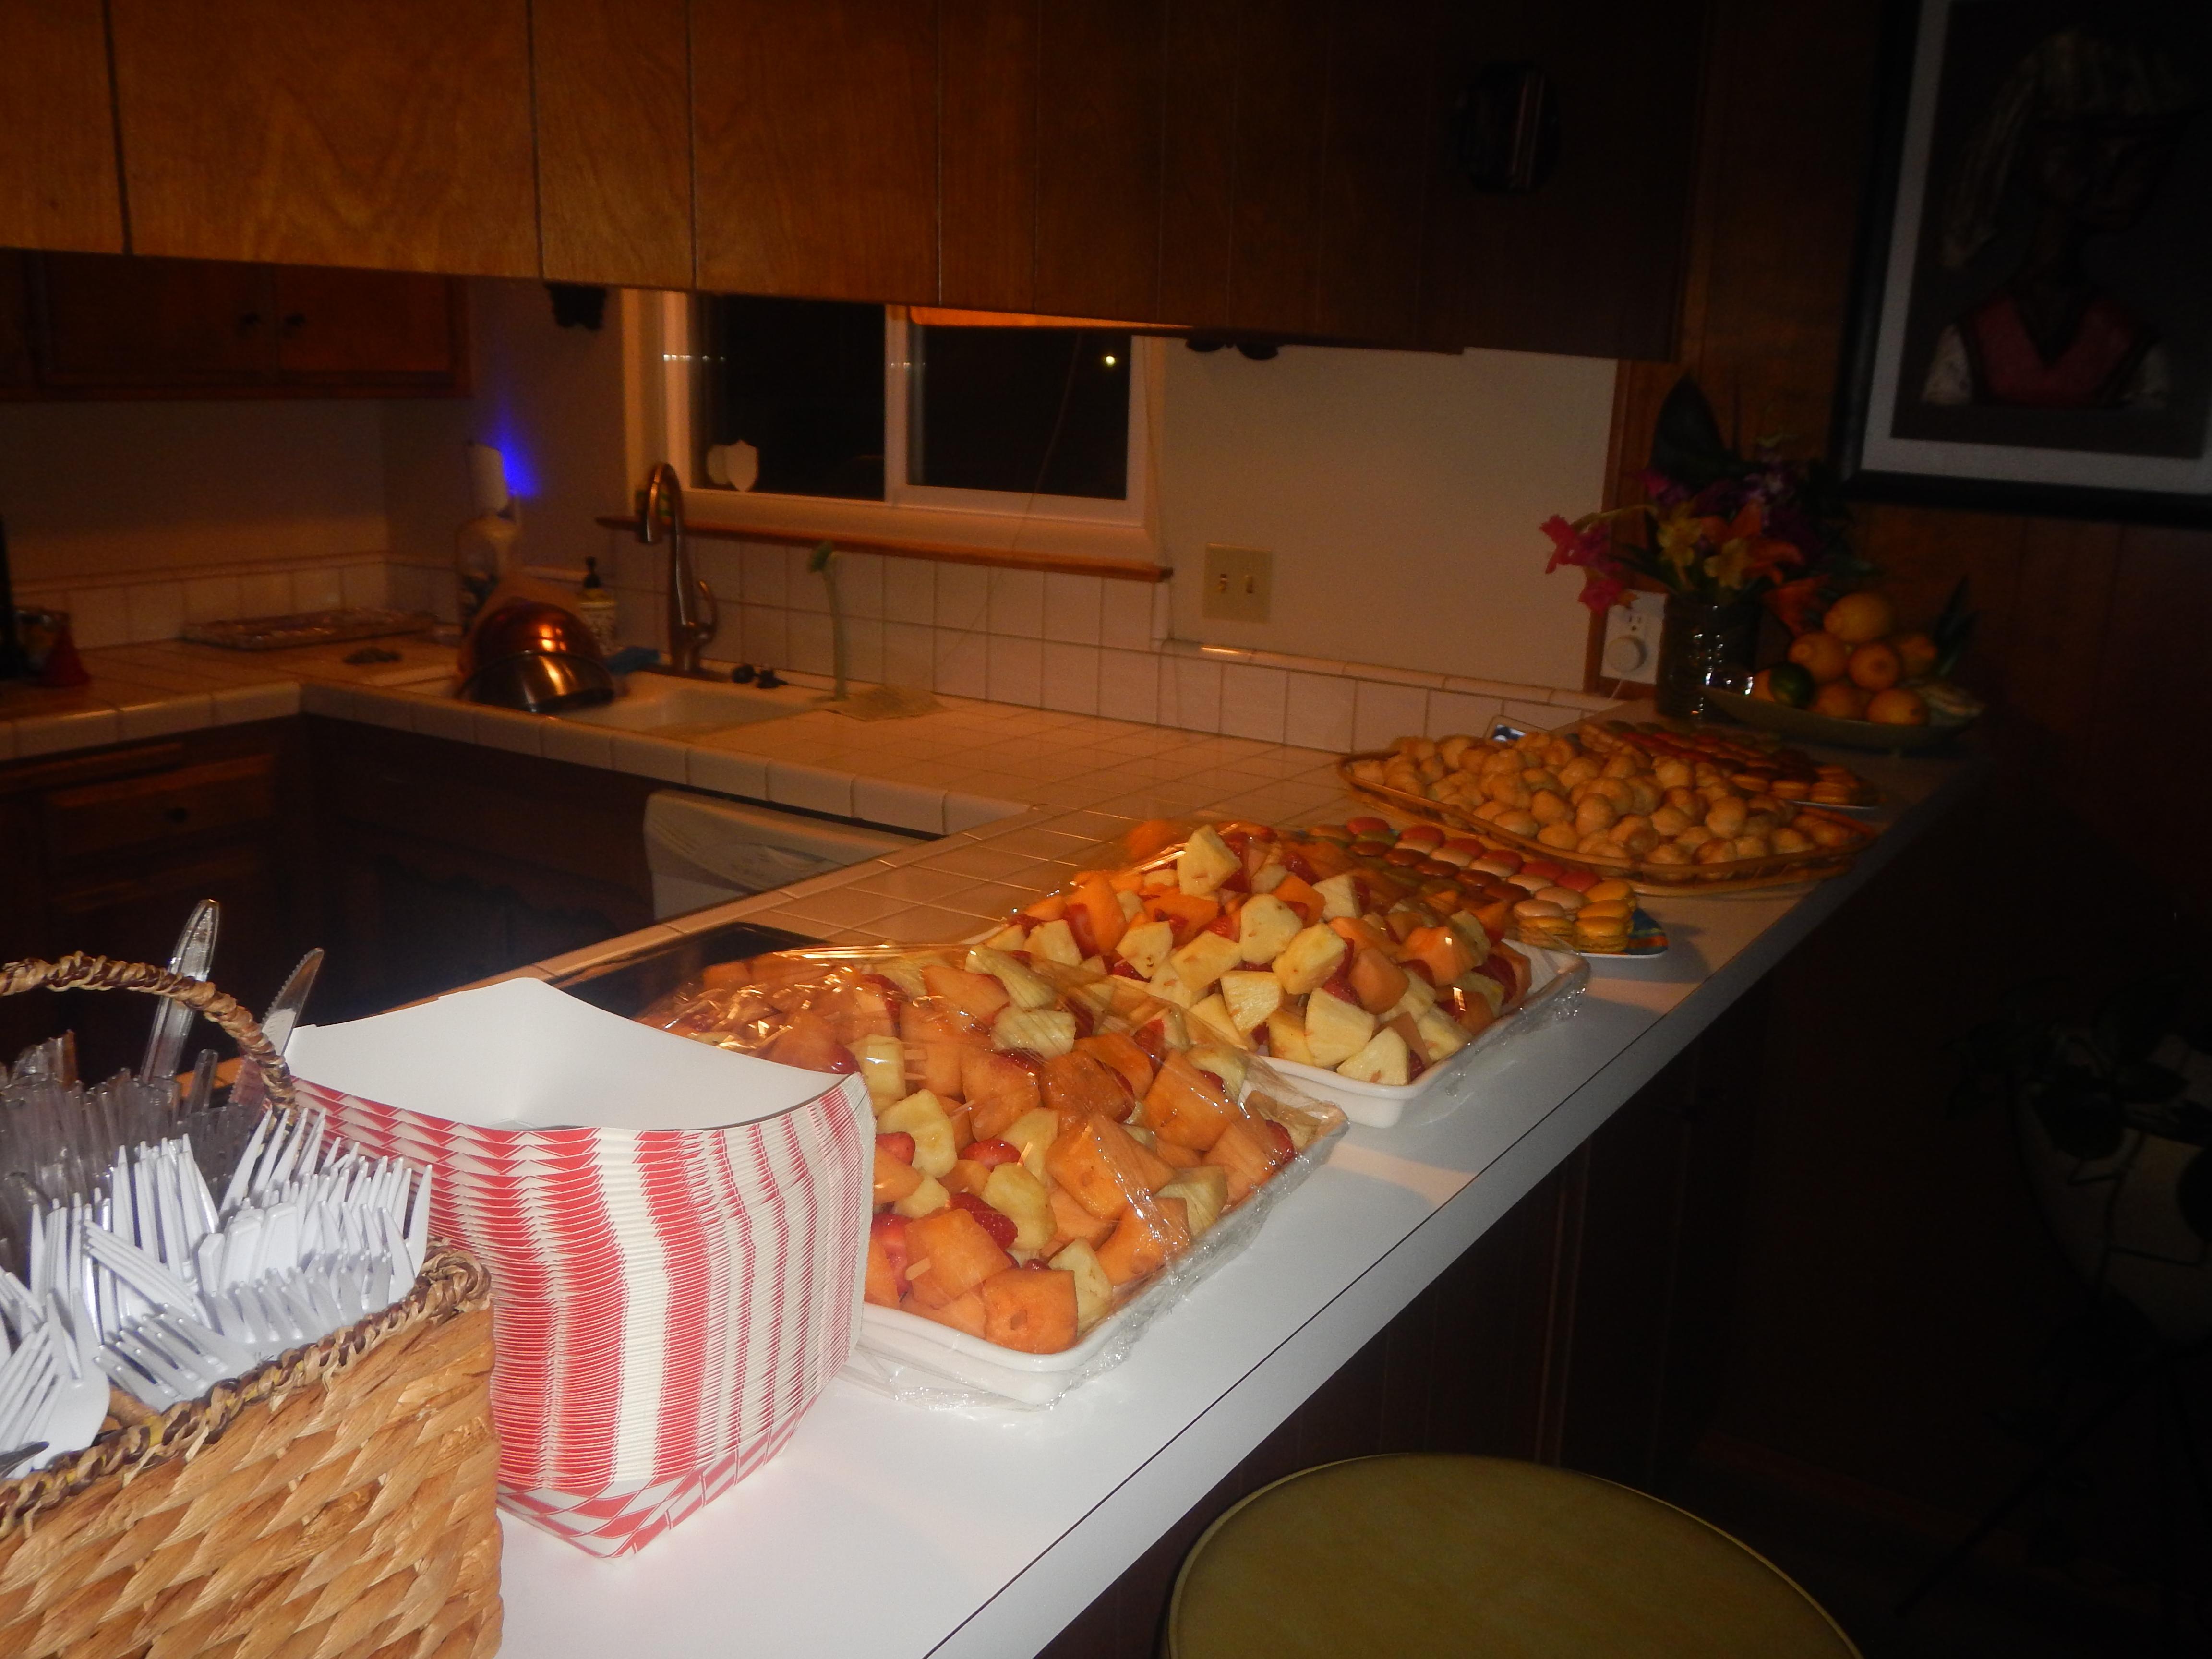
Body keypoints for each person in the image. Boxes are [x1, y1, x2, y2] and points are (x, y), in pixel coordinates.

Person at [1921, 25, 2196, 412]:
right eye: (2082, 146)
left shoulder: (2131, 346)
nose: (2109, 176)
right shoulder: (1973, 338)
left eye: (2139, 161)